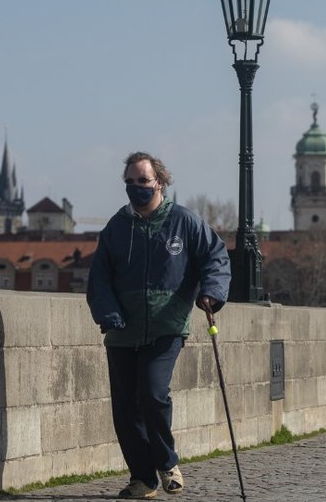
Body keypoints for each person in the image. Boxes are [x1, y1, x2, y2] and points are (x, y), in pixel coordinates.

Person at [87, 152, 231, 500]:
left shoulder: (184, 221)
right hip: (122, 328)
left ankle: (167, 463)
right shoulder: (117, 227)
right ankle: (143, 479)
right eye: (131, 182)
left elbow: (215, 257)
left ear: (159, 182)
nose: (137, 188)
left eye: (143, 181)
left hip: (167, 324)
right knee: (125, 408)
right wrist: (107, 313)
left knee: (152, 393)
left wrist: (211, 292)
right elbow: (99, 279)